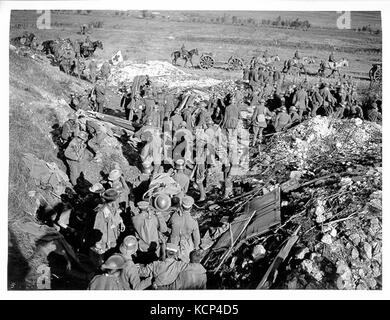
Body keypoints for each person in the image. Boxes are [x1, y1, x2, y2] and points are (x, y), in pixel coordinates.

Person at [91, 189, 125, 260]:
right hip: (105, 238)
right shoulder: (101, 212)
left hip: (113, 235)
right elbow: (97, 229)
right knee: (104, 256)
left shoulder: (113, 206)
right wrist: (98, 244)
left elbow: (116, 215)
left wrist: (121, 222)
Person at [169, 196, 200, 263]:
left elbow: (169, 224)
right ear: (191, 207)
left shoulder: (175, 216)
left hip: (174, 244)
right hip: (187, 244)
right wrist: (196, 246)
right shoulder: (193, 220)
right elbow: (196, 236)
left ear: (181, 205)